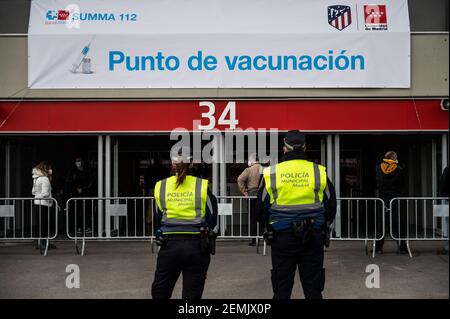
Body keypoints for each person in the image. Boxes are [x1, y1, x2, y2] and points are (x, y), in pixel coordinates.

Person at [257, 130, 337, 299]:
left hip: (282, 237)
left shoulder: (272, 173)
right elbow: (331, 205)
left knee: (282, 290)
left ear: (284, 148)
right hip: (313, 235)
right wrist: (324, 224)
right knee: (313, 290)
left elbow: (260, 209)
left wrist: (267, 225)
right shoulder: (318, 171)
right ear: (305, 147)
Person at [151, 147, 218, 299]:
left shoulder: (161, 186)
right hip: (196, 245)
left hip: (169, 246)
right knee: (192, 295)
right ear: (191, 163)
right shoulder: (201, 185)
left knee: (161, 292)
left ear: (172, 164)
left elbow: (157, 219)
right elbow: (212, 218)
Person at [375, 151, 408, 254]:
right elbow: (403, 184)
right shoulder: (399, 169)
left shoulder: (378, 168)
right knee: (398, 222)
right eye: (396, 157)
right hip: (396, 199)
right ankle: (402, 247)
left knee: (381, 223)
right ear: (393, 158)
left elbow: (377, 183)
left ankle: (378, 248)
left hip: (383, 199)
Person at [237, 153, 262, 246]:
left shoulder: (248, 170)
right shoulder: (265, 169)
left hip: (252, 195)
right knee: (264, 215)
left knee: (253, 217)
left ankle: (254, 239)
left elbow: (239, 179)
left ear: (251, 160)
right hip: (262, 195)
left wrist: (244, 191)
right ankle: (265, 237)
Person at [65, 157, 93, 236]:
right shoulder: (72, 172)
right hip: (75, 196)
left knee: (86, 212)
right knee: (77, 213)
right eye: (77, 161)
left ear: (82, 162)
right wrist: (76, 188)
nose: (78, 163)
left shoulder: (87, 171)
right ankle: (79, 228)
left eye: (79, 161)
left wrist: (83, 189)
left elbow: (90, 183)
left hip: (85, 195)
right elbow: (69, 182)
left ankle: (87, 227)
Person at [32, 161, 56, 250]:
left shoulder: (36, 178)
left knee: (39, 224)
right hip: (44, 204)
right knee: (44, 224)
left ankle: (39, 243)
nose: (51, 170)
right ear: (46, 169)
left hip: (37, 203)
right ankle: (44, 243)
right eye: (50, 168)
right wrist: (50, 199)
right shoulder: (45, 179)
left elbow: (33, 191)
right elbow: (45, 193)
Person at [439, 166, 449, 255]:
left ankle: (448, 247)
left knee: (448, 223)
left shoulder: (447, 169)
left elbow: (443, 183)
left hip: (448, 199)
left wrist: (442, 194)